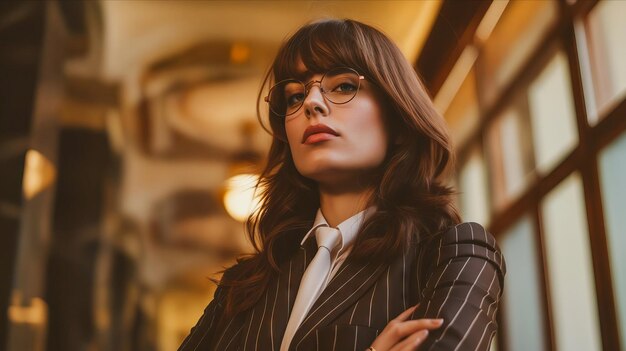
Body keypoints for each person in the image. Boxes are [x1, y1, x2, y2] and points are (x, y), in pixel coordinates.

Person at [179, 18, 505, 351]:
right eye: (294, 97)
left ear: (399, 119)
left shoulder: (456, 256)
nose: (311, 103)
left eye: (344, 86)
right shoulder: (240, 287)